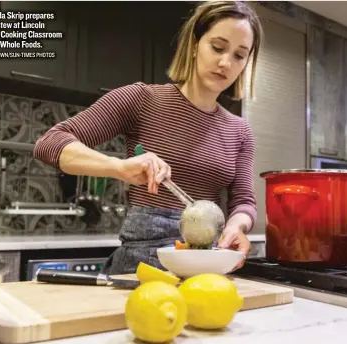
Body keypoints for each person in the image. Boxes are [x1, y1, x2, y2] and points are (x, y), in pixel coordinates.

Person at [33, 1, 263, 274]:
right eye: (217, 47)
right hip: (140, 268)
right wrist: (118, 167)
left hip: (205, 266)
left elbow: (244, 202)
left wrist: (237, 227)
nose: (225, 62)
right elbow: (49, 143)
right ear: (193, 45)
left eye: (239, 55)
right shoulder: (142, 99)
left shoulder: (239, 131)